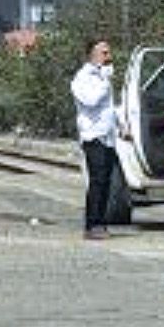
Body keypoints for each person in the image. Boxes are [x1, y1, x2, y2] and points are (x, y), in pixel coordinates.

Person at [71, 38, 120, 240]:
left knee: (107, 181)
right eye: (104, 53)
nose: (109, 57)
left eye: (109, 52)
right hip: (93, 135)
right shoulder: (82, 78)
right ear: (92, 55)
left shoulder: (102, 77)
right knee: (97, 181)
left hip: (108, 136)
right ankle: (92, 224)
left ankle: (101, 221)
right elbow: (90, 101)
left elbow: (109, 108)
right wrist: (105, 82)